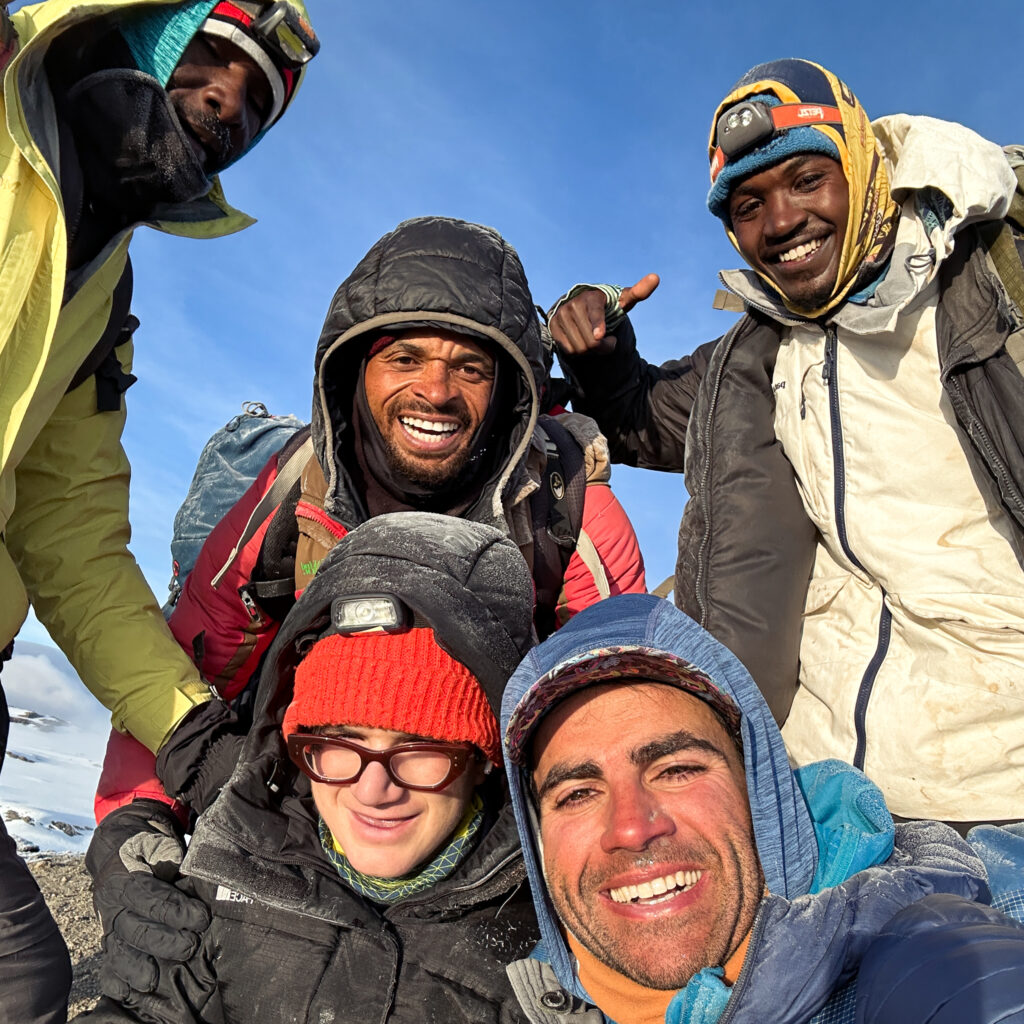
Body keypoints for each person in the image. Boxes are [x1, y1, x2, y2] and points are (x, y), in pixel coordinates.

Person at [549, 58, 1024, 829]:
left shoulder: (992, 286)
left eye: (807, 180)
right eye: (747, 205)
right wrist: (599, 353)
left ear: (866, 165)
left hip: (1007, 797)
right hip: (823, 802)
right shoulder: (761, 352)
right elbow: (641, 420)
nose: (779, 222)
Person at [0, 2, 318, 1021]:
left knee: (21, 983)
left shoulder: (101, 289)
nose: (230, 104)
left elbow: (71, 539)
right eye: (216, 60)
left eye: (256, 108)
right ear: (143, 26)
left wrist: (195, 737)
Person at [80, 512, 540, 1023]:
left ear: (484, 759)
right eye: (341, 742)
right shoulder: (233, 864)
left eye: (420, 748)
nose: (373, 789)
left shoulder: (558, 946)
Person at [499, 593, 1024, 1024]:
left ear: (758, 784)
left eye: (677, 770)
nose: (633, 828)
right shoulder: (514, 1002)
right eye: (577, 794)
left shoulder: (968, 896)